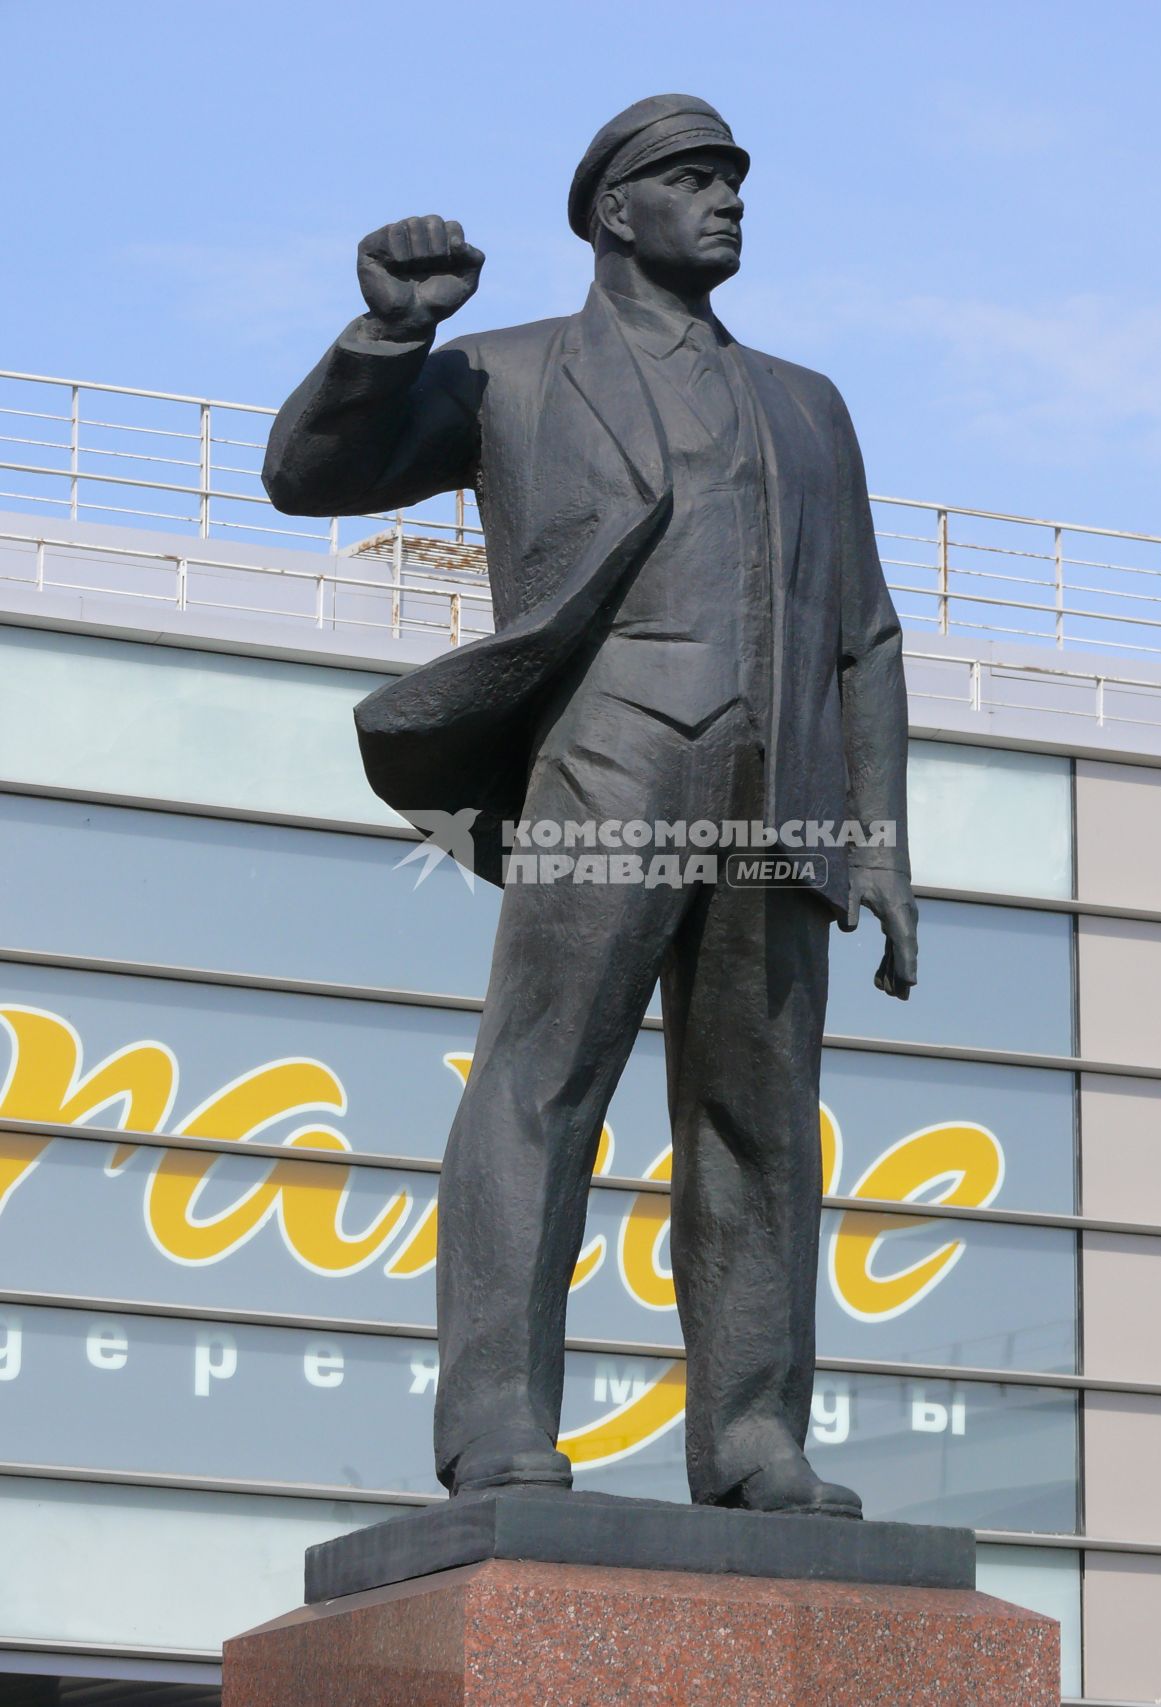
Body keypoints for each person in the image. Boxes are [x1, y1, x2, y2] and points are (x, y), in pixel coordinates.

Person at [264, 94, 918, 1517]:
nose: (729, 200)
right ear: (618, 209)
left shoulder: (809, 404)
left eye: (735, 180)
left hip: (781, 798)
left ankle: (752, 1439)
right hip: (606, 770)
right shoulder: (510, 373)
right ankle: (499, 1419)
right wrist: (389, 337)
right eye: (695, 179)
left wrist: (882, 838)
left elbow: (865, 631)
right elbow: (308, 476)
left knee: (762, 1123)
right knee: (542, 1082)